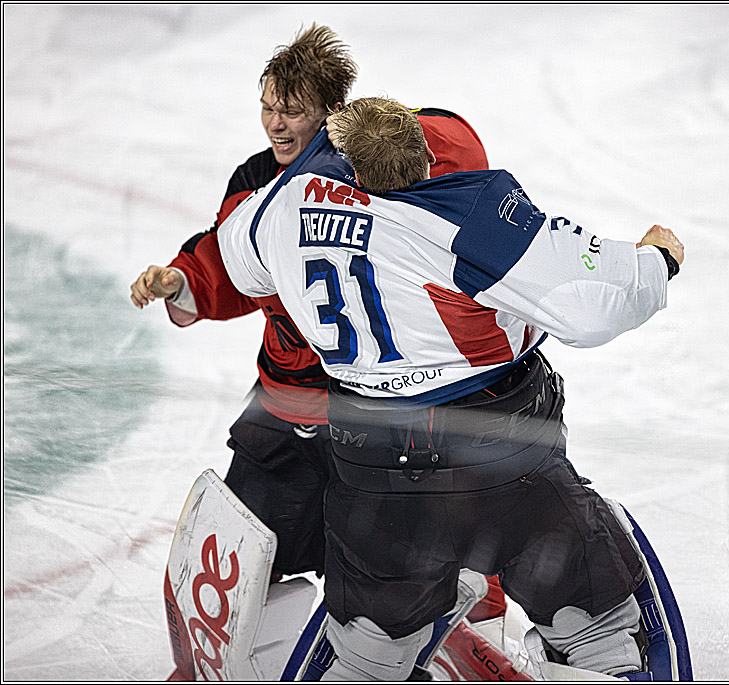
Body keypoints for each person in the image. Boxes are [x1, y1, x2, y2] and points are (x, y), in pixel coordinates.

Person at [215, 96, 685, 680]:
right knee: (595, 621)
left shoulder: (287, 205)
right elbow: (591, 308)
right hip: (499, 462)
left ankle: (375, 654)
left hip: (373, 475)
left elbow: (240, 258)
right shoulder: (465, 217)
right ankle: (598, 650)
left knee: (368, 650)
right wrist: (655, 261)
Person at [129, 25, 507, 620]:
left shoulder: (375, 170)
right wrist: (182, 280)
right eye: (268, 107)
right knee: (250, 542)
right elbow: (231, 265)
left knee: (394, 556)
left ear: (332, 113)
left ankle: (450, 621)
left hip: (379, 409)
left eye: (292, 111)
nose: (275, 124)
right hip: (286, 406)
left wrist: (390, 130)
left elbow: (453, 152)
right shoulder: (253, 184)